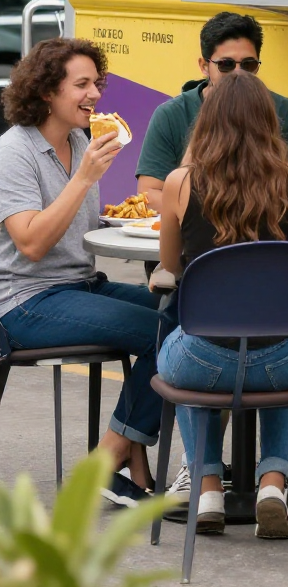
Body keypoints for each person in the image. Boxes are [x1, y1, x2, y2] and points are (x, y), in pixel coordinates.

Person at [0, 38, 168, 506]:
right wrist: (84, 178)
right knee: (164, 335)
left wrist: (126, 219)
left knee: (190, 318)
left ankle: (129, 462)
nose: (95, 93)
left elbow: (81, 224)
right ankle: (103, 466)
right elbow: (31, 243)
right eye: (82, 84)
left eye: (97, 82)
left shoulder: (80, 139)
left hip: (81, 284)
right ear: (46, 92)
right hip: (27, 300)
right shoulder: (14, 152)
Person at [155, 71, 288, 541]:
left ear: (206, 122)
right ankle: (272, 483)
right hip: (281, 362)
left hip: (204, 359)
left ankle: (207, 488)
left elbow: (171, 265)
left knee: (177, 359)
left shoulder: (180, 182)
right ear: (271, 122)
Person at [136, 13, 288, 215]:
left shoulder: (285, 111)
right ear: (204, 66)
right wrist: (219, 219)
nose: (238, 74)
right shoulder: (171, 115)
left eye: (248, 65)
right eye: (226, 65)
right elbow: (149, 194)